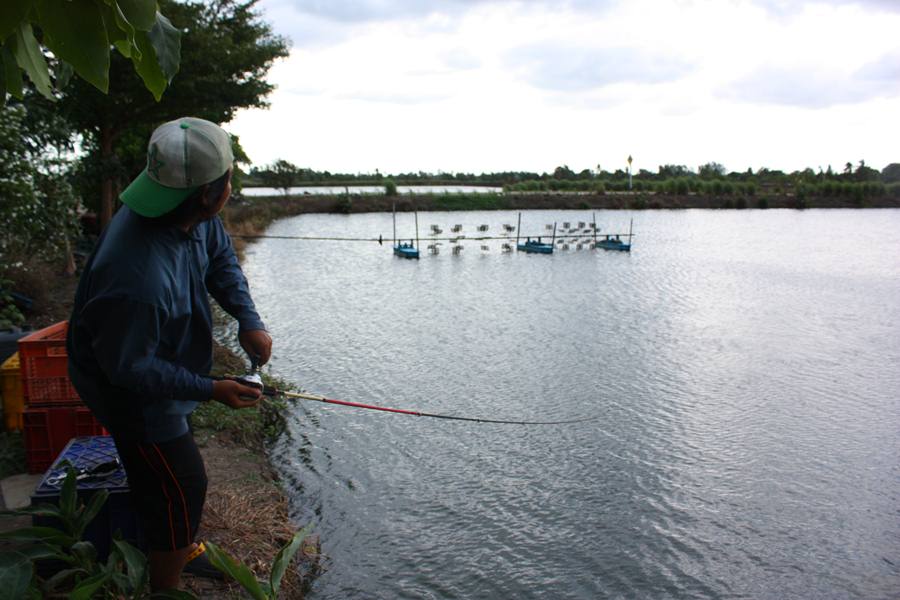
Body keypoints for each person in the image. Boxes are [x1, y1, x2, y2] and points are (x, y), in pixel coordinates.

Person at [66, 117, 272, 591]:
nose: (230, 187)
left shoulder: (186, 212)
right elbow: (129, 370)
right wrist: (211, 389)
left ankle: (171, 541)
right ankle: (165, 584)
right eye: (229, 179)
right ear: (211, 192)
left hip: (153, 359)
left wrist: (249, 320)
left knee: (157, 476)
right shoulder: (138, 278)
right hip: (126, 389)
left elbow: (220, 258)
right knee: (184, 483)